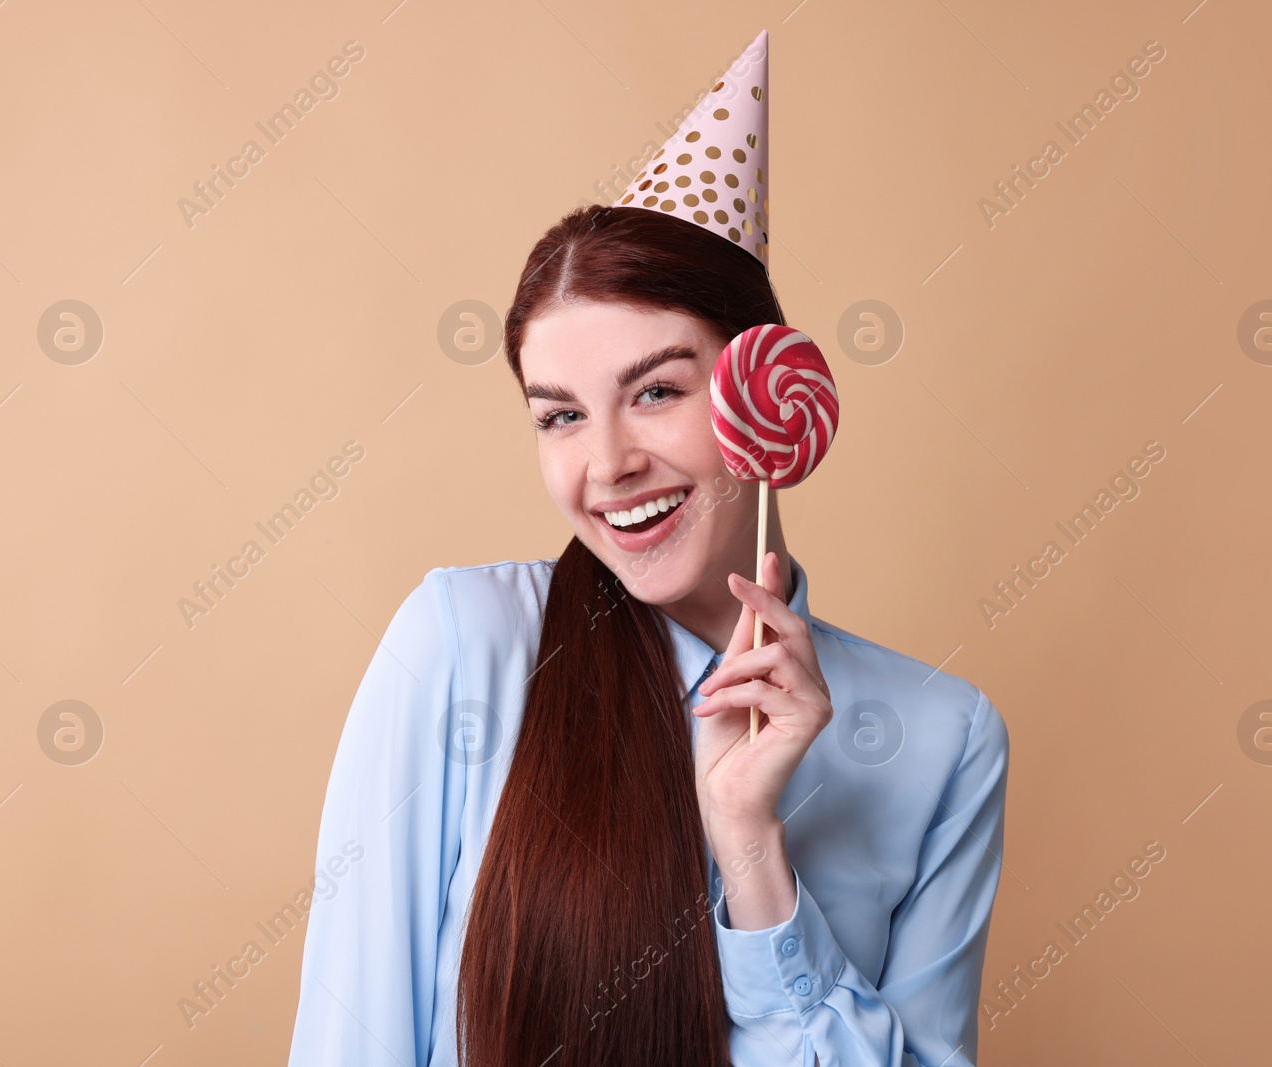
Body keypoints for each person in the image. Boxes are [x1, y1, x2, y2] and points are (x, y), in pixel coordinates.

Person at [289, 28, 1007, 1067]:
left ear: (769, 387)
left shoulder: (944, 741)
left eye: (657, 391)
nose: (608, 462)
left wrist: (751, 849)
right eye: (559, 416)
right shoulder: (461, 643)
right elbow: (350, 1038)